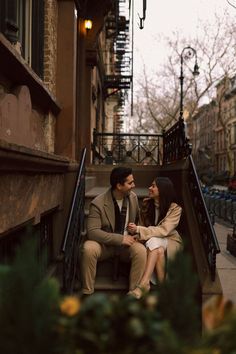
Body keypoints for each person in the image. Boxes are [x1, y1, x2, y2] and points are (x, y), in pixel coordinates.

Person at [81, 166, 147, 295]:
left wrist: (137, 232)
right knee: (88, 248)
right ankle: (87, 292)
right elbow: (93, 232)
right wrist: (120, 239)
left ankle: (134, 294)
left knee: (141, 251)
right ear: (119, 185)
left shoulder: (132, 198)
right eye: (130, 183)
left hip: (126, 246)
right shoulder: (98, 203)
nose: (134, 185)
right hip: (105, 246)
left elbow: (138, 221)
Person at [127, 176, 183, 299]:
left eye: (153, 186)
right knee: (158, 250)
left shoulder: (175, 209)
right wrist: (136, 233)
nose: (149, 188)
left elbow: (164, 230)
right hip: (154, 244)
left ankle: (143, 284)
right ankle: (165, 292)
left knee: (154, 241)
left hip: (171, 241)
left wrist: (139, 229)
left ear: (162, 190)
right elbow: (142, 225)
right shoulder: (147, 204)